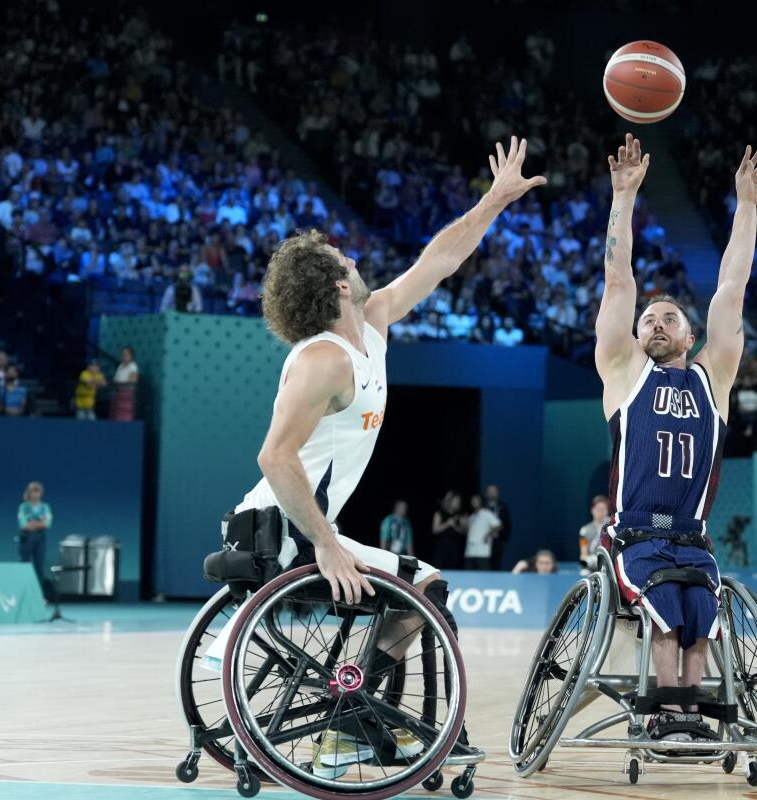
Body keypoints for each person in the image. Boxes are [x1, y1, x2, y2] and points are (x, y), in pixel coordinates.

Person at [225, 136, 545, 777]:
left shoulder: (372, 323)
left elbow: (442, 257)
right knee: (424, 586)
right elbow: (275, 458)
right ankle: (348, 727)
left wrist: (493, 202)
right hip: (272, 529)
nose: (357, 259)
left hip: (300, 528)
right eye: (347, 258)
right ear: (338, 284)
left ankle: (364, 724)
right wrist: (327, 544)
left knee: (419, 589)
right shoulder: (323, 359)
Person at [595, 134, 757, 744]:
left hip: (693, 540)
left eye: (668, 317)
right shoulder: (624, 373)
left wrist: (746, 205)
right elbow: (618, 283)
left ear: (690, 333)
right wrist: (623, 198)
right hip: (635, 538)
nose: (653, 322)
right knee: (669, 618)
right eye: (648, 319)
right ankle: (667, 710)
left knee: (702, 615)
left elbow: (732, 289)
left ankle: (688, 712)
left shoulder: (713, 376)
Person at [17, 481, 53, 600]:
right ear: (29, 492)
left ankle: (39, 596)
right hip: (26, 539)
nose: (36, 494)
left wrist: (34, 523)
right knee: (24, 566)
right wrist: (39, 522)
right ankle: (23, 595)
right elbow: (23, 525)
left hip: (40, 540)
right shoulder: (23, 507)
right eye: (33, 491)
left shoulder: (45, 507)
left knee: (39, 567)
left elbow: (47, 524)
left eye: (38, 492)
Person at [464, 494, 501, 570]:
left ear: (480, 501)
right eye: (472, 500)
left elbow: (498, 525)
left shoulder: (487, 513)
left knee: (483, 577)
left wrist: (488, 535)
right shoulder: (471, 516)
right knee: (469, 577)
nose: (473, 502)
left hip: (482, 553)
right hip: (470, 553)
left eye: (475, 500)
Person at [431, 491, 467, 570]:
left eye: (459, 501)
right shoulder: (439, 513)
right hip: (442, 547)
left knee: (453, 568)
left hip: (455, 547)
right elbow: (435, 530)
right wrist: (447, 523)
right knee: (439, 569)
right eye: (456, 501)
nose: (458, 502)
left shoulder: (460, 515)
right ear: (450, 501)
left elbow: (464, 531)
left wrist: (455, 526)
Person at [483, 484, 511, 570]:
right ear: (486, 493)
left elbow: (507, 523)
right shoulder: (482, 506)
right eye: (490, 492)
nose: (492, 494)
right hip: (483, 541)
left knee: (496, 563)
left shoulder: (503, 507)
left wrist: (503, 538)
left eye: (494, 492)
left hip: (497, 541)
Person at [578, 495, 609, 565]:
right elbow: (583, 554)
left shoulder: (612, 527)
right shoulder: (584, 531)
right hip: (591, 563)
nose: (601, 512)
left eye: (603, 509)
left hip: (607, 563)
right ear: (592, 510)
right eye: (598, 509)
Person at [111, 346, 139, 421]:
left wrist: (120, 383)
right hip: (117, 393)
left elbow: (133, 380)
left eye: (126, 355)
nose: (124, 357)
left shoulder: (133, 366)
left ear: (131, 356)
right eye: (123, 354)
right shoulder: (120, 366)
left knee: (125, 414)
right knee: (116, 413)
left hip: (126, 394)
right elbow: (116, 379)